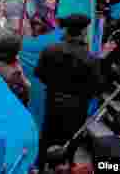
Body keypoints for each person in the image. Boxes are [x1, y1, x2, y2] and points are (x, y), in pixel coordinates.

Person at [34, 14, 105, 165]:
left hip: (53, 101)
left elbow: (39, 74)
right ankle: (66, 165)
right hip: (77, 107)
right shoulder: (90, 59)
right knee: (71, 140)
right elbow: (97, 87)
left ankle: (42, 166)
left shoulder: (50, 50)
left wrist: (54, 85)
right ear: (84, 32)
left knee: (48, 136)